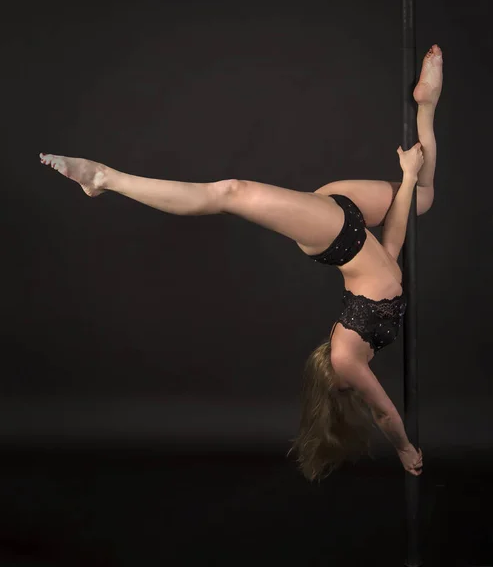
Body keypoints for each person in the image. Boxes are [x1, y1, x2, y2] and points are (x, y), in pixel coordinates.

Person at [40, 44, 443, 481]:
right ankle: (428, 103)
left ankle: (104, 178)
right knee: (422, 195)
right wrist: (406, 175)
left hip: (338, 234)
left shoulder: (352, 353)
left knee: (231, 192)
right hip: (348, 227)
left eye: (354, 394)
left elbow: (385, 413)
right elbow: (392, 246)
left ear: (337, 386)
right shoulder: (358, 338)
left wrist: (403, 449)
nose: (365, 391)